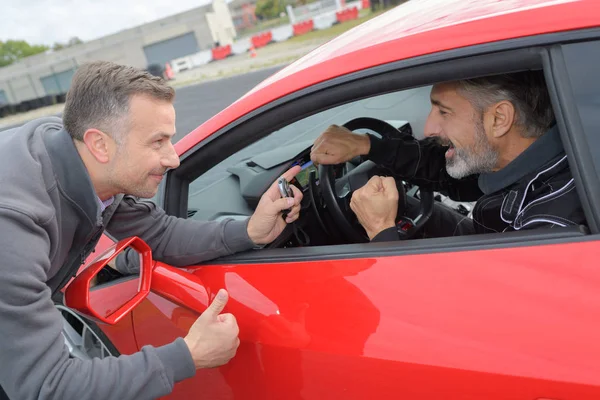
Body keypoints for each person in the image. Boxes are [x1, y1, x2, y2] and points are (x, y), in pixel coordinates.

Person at [0, 61, 303, 400]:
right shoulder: (13, 226)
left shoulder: (78, 151)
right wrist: (187, 356)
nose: (173, 158)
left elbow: (158, 234)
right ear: (99, 145)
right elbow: (47, 387)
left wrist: (250, 232)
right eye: (158, 142)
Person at [310, 71, 586, 241]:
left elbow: (474, 322)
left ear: (499, 119)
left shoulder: (550, 227)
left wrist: (381, 230)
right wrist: (366, 145)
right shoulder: (525, 158)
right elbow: (447, 172)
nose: (429, 128)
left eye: (444, 112)